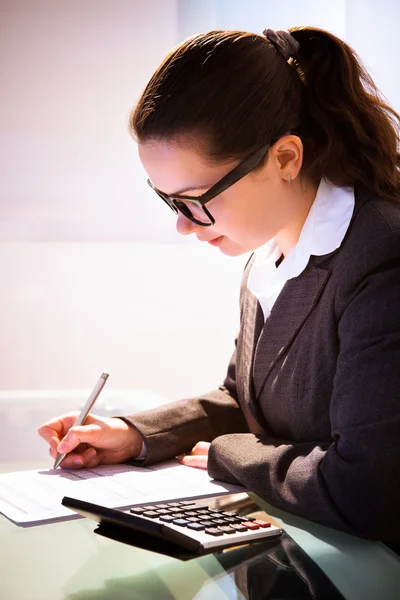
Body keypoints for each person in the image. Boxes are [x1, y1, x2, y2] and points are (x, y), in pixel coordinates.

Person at [38, 26, 400, 543]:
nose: (184, 225)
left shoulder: (381, 258)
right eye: (170, 201)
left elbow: (367, 488)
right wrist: (135, 436)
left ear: (285, 158)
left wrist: (231, 455)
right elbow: (247, 401)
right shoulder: (268, 255)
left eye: (197, 199)